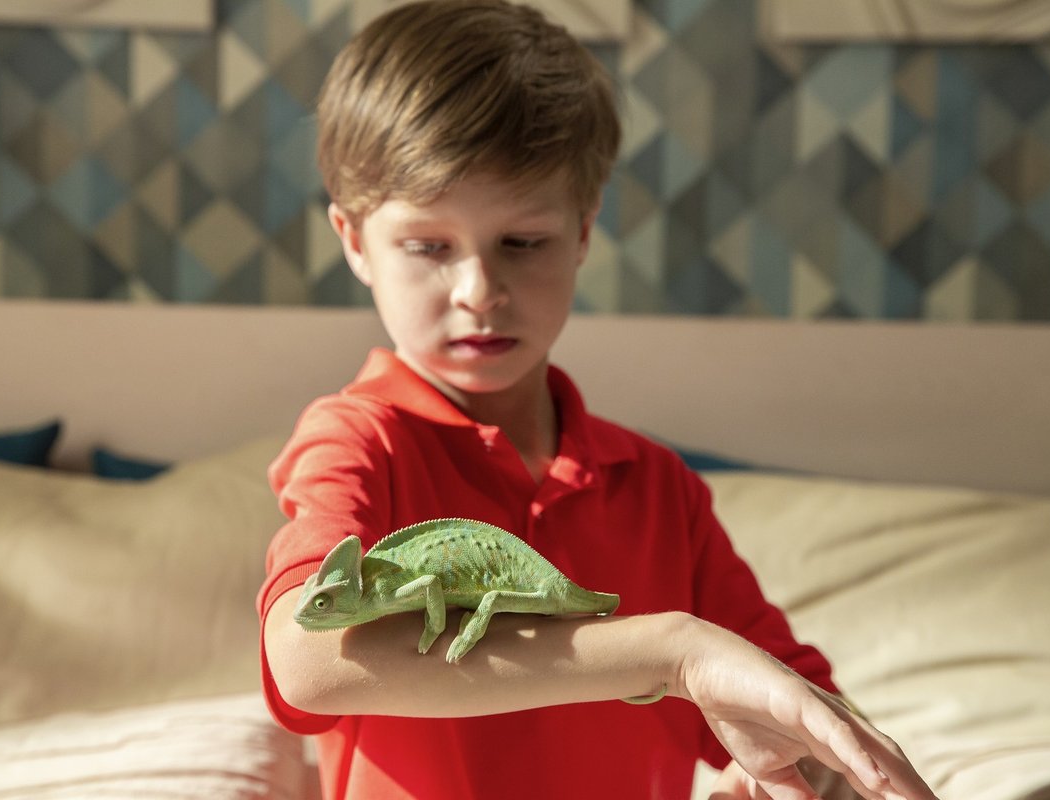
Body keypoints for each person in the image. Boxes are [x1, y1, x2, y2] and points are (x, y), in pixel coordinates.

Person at [257, 2, 939, 799]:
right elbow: (307, 662)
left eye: (523, 242)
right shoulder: (355, 441)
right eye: (428, 246)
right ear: (353, 241)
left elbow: (793, 704)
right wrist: (670, 651)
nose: (480, 291)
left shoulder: (656, 487)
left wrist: (808, 773)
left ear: (583, 233)